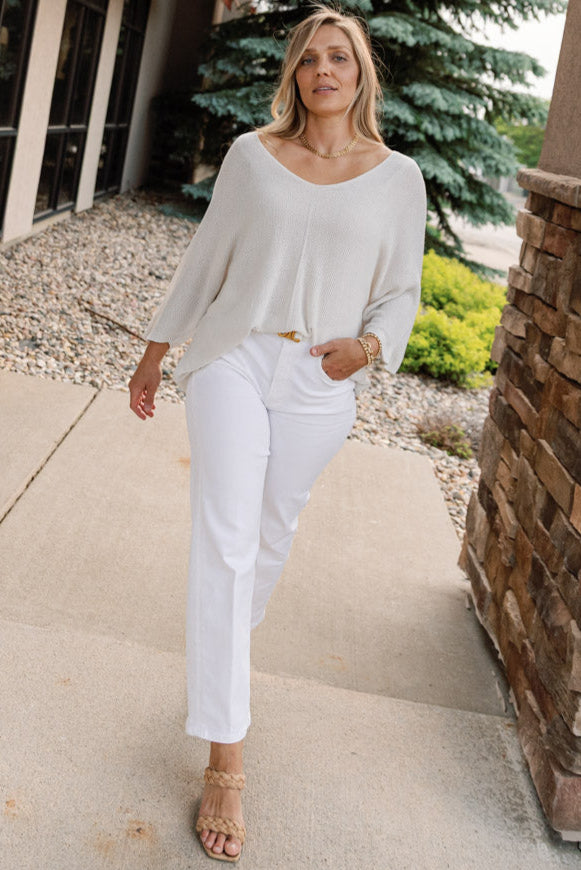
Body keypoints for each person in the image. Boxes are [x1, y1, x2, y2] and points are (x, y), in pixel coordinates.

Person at [129, 3, 427, 862]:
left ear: (361, 75)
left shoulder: (397, 176)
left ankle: (220, 653)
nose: (322, 70)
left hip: (321, 379)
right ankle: (226, 760)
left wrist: (370, 348)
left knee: (266, 538)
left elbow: (400, 290)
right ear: (293, 74)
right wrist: (155, 353)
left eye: (339, 58)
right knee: (224, 544)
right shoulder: (252, 157)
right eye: (308, 59)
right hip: (235, 357)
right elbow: (206, 260)